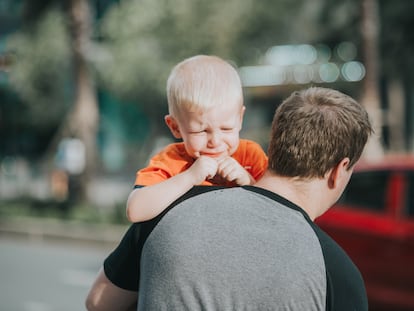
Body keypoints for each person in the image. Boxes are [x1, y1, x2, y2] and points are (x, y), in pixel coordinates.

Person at [86, 87, 373, 311]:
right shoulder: (337, 273)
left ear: (275, 144)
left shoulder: (168, 213)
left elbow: (99, 303)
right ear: (338, 171)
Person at [126, 55, 268, 222]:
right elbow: (135, 211)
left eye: (226, 128)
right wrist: (189, 177)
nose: (215, 141)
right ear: (175, 127)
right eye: (200, 131)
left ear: (240, 119)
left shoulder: (250, 156)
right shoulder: (171, 161)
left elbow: (277, 210)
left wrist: (248, 181)